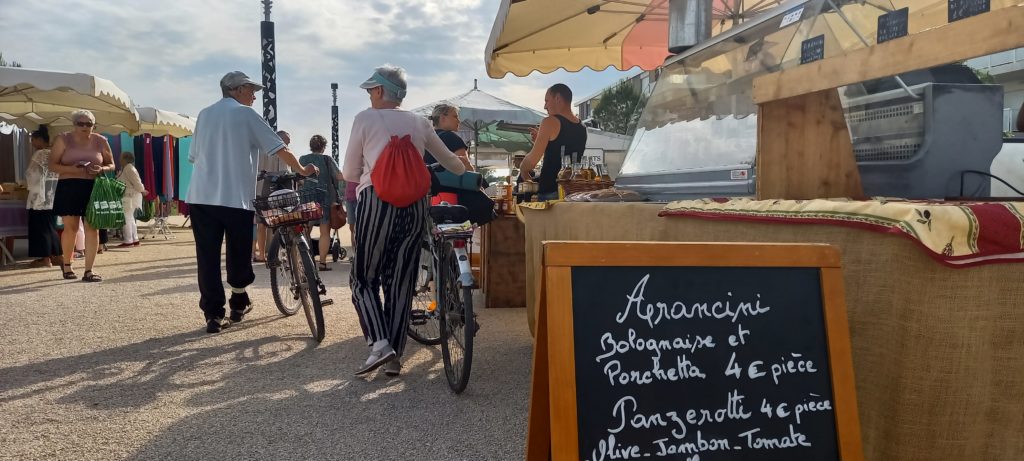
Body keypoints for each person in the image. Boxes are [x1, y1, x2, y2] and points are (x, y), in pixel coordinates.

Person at [344, 64, 466, 376]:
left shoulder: (365, 119)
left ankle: (380, 345)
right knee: (399, 281)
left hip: (377, 202)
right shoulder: (420, 122)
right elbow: (454, 165)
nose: (370, 94)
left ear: (381, 90)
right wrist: (462, 167)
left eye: (372, 89)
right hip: (414, 207)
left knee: (362, 277)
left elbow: (350, 173)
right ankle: (395, 358)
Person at [187, 71, 318, 334]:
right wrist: (303, 170)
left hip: (201, 196)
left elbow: (194, 156)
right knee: (238, 250)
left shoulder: (204, 114)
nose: (254, 95)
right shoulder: (245, 114)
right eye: (250, 89)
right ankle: (238, 301)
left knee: (208, 256)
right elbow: (281, 148)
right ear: (235, 90)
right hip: (233, 196)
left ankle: (213, 314)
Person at [49, 109, 116, 282]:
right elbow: (52, 165)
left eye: (89, 124)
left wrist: (101, 169)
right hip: (69, 186)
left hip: (93, 187)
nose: (85, 127)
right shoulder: (63, 139)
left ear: (94, 125)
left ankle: (89, 270)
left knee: (92, 228)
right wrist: (72, 169)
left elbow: (111, 164)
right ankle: (67, 265)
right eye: (81, 123)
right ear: (74, 124)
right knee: (70, 227)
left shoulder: (101, 140)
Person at [426, 104, 496, 225]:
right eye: (455, 116)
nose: (459, 120)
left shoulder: (426, 139)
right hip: (455, 200)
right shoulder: (452, 138)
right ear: (443, 118)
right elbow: (467, 169)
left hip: (431, 197)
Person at [518, 83, 588, 201]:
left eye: (547, 101)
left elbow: (531, 162)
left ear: (558, 98)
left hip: (551, 192)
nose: (545, 106)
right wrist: (541, 142)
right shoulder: (582, 127)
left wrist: (522, 169)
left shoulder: (549, 122)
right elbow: (562, 154)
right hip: (574, 193)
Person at [298, 134, 345, 271]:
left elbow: (298, 178)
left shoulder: (302, 159)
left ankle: (303, 262)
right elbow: (339, 176)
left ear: (311, 146)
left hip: (307, 198)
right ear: (324, 147)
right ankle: (323, 263)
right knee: (325, 232)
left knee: (306, 230)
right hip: (325, 198)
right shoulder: (327, 159)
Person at [25, 126, 62, 268]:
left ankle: (45, 258)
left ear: (40, 139)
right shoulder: (56, 153)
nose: (32, 143)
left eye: (33, 139)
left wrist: (28, 186)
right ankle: (57, 256)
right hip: (52, 194)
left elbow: (31, 174)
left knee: (40, 227)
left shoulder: (40, 154)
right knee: (50, 226)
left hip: (39, 195)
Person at [253, 130, 292, 262]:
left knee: (261, 223)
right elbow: (284, 172)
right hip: (277, 191)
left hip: (260, 190)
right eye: (287, 141)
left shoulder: (261, 150)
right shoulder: (282, 151)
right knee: (281, 220)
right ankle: (281, 253)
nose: (288, 144)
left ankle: (262, 254)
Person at [116, 152, 146, 248]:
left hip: (130, 196)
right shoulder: (127, 168)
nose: (119, 159)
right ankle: (134, 239)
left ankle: (128, 240)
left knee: (127, 218)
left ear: (125, 159)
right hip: (130, 196)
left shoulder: (129, 168)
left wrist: (142, 190)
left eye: (121, 157)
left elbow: (137, 182)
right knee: (130, 218)